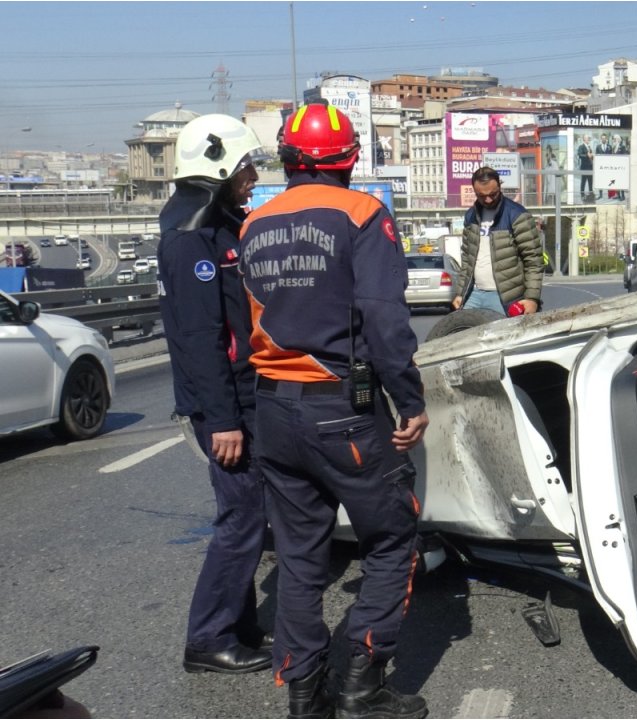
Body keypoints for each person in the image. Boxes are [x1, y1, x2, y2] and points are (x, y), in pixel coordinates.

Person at [239, 103, 429, 719]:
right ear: (349, 159)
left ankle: (304, 691)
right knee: (391, 537)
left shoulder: (253, 223)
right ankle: (361, 686)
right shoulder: (362, 213)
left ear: (288, 160)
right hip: (342, 406)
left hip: (273, 407)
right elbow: (385, 319)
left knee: (299, 557)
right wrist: (410, 401)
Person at [157, 114, 273, 676]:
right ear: (219, 167)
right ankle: (207, 638)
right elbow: (202, 338)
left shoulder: (216, 225)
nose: (253, 177)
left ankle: (238, 625)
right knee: (242, 517)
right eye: (246, 167)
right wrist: (224, 420)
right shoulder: (192, 239)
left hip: (242, 396)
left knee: (249, 515)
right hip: (224, 406)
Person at [450, 166, 543, 316]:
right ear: (474, 191)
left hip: (505, 299)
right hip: (473, 294)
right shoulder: (470, 216)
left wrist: (532, 298)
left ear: (500, 186)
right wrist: (460, 293)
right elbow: (467, 259)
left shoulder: (517, 215)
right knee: (461, 329)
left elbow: (533, 260)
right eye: (481, 196)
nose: (487, 199)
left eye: (492, 194)